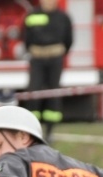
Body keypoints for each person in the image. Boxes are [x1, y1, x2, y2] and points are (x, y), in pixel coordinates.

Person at [22, 0, 73, 143]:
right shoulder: (32, 15)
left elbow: (68, 39)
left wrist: (59, 53)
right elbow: (26, 37)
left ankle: (50, 130)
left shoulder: (63, 17)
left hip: (55, 58)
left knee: (54, 93)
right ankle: (33, 130)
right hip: (37, 58)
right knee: (34, 92)